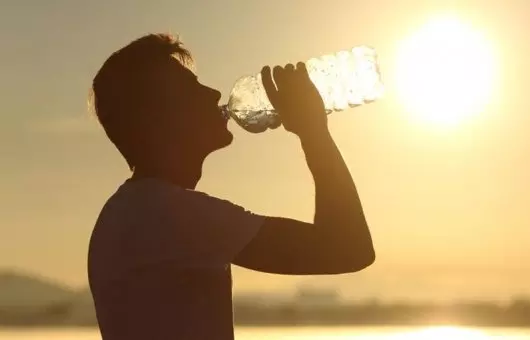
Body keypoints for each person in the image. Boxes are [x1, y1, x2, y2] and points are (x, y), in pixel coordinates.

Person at [87, 33, 375, 340]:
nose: (213, 93)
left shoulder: (134, 210)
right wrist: (313, 131)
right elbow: (347, 249)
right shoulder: (165, 214)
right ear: (158, 119)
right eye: (190, 90)